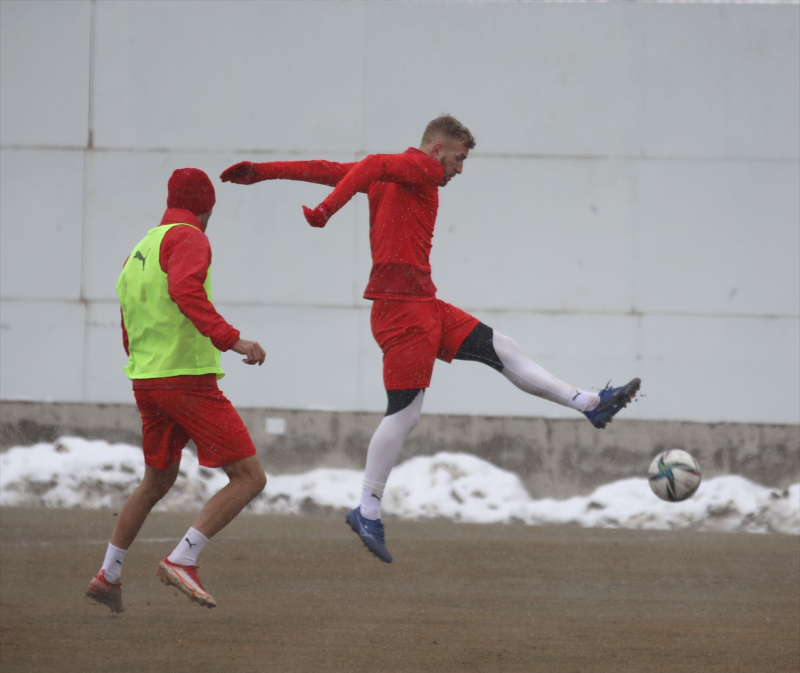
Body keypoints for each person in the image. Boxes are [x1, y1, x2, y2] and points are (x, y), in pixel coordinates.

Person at [220, 115, 640, 564]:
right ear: (437, 150)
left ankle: (591, 404)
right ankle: (367, 508)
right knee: (405, 414)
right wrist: (325, 212)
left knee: (503, 347)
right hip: (403, 311)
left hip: (424, 304)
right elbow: (371, 164)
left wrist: (263, 171)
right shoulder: (418, 169)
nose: (460, 170)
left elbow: (330, 168)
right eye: (459, 159)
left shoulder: (390, 174)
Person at [86, 168, 268, 613]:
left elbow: (129, 318)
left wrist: (141, 367)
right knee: (249, 478)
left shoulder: (140, 249)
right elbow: (186, 290)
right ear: (206, 208)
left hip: (147, 380)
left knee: (157, 480)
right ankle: (182, 559)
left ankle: (108, 575)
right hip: (185, 378)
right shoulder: (190, 236)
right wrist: (232, 338)